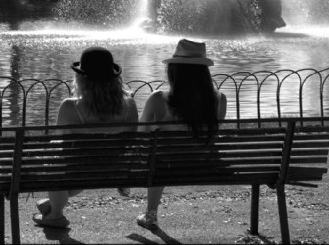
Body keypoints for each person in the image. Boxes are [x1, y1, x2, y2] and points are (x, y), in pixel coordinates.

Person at [33, 46, 138, 228]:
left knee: (52, 160)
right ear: (114, 78)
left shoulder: (70, 107)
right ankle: (52, 206)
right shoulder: (129, 105)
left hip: (79, 170)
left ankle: (55, 215)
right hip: (114, 169)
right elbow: (134, 140)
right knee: (83, 163)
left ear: (81, 78)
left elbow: (59, 141)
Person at [136, 39, 227, 229]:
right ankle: (151, 213)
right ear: (204, 73)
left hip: (167, 167)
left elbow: (141, 135)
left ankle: (151, 214)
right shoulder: (219, 100)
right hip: (204, 166)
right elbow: (213, 135)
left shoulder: (158, 99)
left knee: (157, 158)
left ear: (173, 71)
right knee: (161, 156)